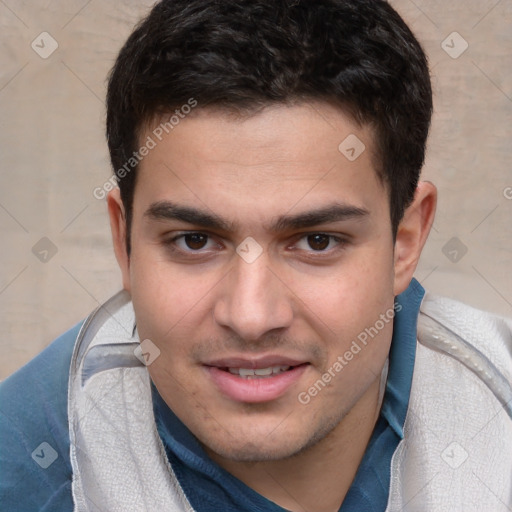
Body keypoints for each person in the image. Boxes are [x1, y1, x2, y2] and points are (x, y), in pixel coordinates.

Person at [1, 0, 511, 510]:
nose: (250, 316)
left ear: (405, 241)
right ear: (124, 240)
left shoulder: (497, 405)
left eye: (317, 241)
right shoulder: (28, 468)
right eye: (194, 240)